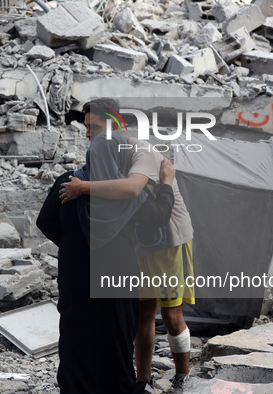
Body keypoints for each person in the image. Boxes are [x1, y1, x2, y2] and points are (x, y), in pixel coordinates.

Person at [37, 99, 176, 393]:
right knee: (115, 347)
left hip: (76, 281)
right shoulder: (124, 194)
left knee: (76, 345)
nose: (90, 135)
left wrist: (77, 247)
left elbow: (47, 222)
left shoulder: (68, 182)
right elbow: (159, 217)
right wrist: (166, 183)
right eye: (88, 129)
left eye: (96, 128)